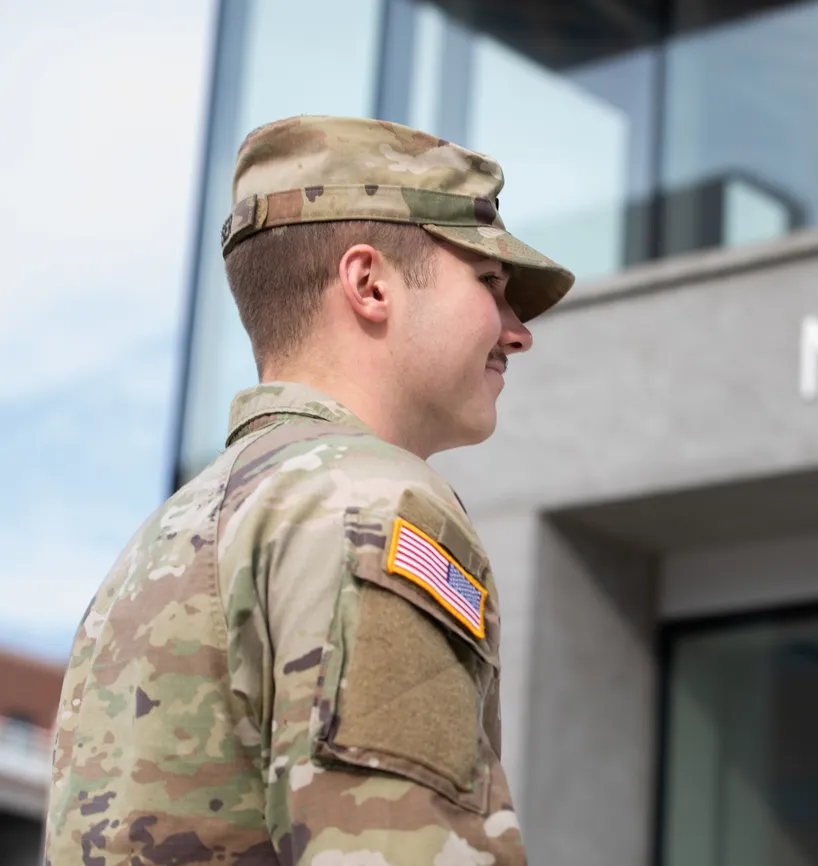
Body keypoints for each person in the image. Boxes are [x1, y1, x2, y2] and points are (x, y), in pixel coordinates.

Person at [44, 115, 574, 865]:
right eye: (491, 282)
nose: (516, 330)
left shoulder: (155, 549)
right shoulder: (373, 505)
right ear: (369, 284)